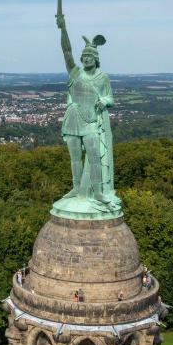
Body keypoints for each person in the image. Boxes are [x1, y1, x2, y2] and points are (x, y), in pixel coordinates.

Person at [55, 14, 119, 206]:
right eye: (85, 56)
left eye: (91, 56)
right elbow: (66, 52)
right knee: (74, 157)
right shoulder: (76, 73)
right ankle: (76, 187)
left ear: (96, 59)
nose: (87, 59)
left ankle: (98, 191)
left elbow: (110, 98)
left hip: (91, 119)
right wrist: (63, 28)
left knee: (94, 156)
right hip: (74, 117)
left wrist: (104, 101)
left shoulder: (103, 78)